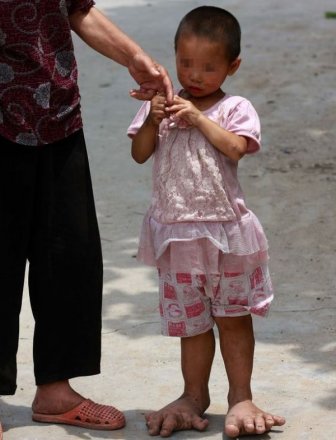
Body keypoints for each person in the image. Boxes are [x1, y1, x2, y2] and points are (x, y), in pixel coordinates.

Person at [0, 0, 172, 437]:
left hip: (56, 113)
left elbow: (76, 8)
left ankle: (56, 390)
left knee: (69, 253)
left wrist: (135, 57)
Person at [128, 6, 286, 438]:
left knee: (233, 318)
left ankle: (241, 396)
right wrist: (153, 118)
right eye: (185, 64)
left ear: (233, 66)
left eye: (209, 67)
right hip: (176, 237)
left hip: (226, 237)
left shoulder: (235, 107)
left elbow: (235, 148)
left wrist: (197, 118)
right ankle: (193, 395)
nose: (194, 76)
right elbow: (140, 153)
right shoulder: (164, 106)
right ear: (174, 56)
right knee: (192, 325)